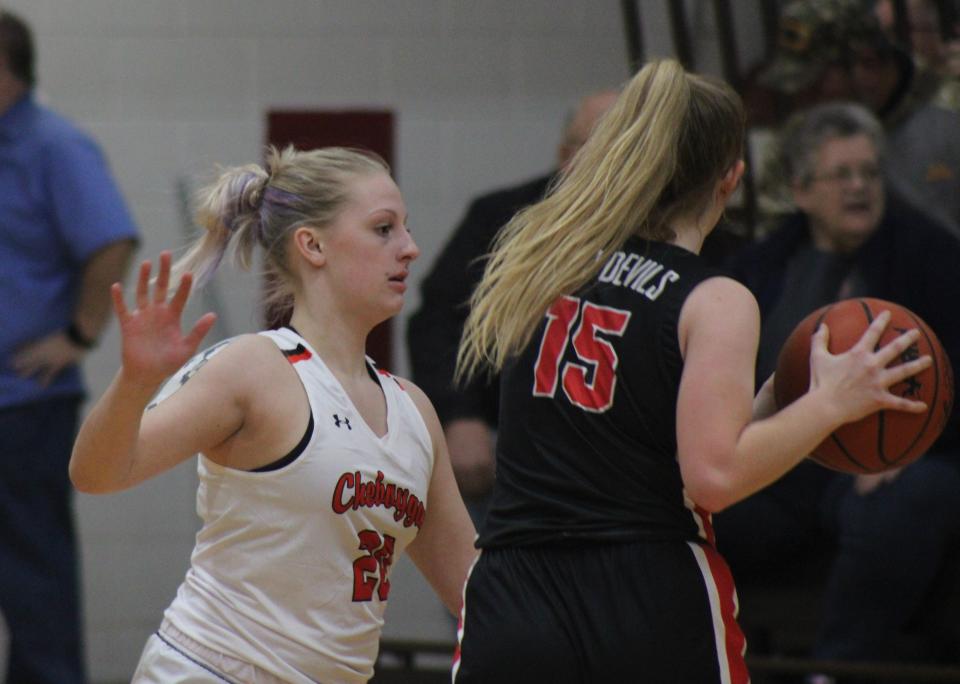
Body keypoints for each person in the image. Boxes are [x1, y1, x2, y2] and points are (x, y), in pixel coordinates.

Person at [450, 59, 931, 683]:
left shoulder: (541, 260)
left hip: (511, 592)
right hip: (641, 590)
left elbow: (644, 435)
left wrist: (774, 403)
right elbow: (713, 477)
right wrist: (832, 405)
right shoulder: (712, 298)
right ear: (730, 180)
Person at [68, 146, 478, 683]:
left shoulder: (414, 411)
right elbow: (96, 475)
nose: (410, 248)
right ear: (313, 245)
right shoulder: (255, 368)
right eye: (384, 229)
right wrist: (134, 383)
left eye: (405, 228)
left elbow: (477, 590)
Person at [716, 102, 960, 674]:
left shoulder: (933, 255)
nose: (859, 188)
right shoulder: (760, 267)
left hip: (900, 457)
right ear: (800, 190)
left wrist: (914, 444)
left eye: (870, 173)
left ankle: (837, 669)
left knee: (904, 500)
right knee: (691, 503)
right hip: (787, 459)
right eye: (842, 175)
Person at [0, 10, 139, 684]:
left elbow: (111, 240)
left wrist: (79, 336)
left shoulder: (53, 146)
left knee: (34, 584)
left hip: (23, 405)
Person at [405, 89, 618, 523]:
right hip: (513, 450)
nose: (612, 162)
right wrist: (459, 415)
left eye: (627, 147)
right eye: (598, 144)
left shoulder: (664, 231)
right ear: (565, 154)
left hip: (618, 463)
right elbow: (439, 320)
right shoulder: (501, 218)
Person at [756, 0, 960, 233]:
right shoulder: (799, 139)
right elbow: (778, 241)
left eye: (817, 83)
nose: (804, 98)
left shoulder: (950, 109)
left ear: (868, 63)